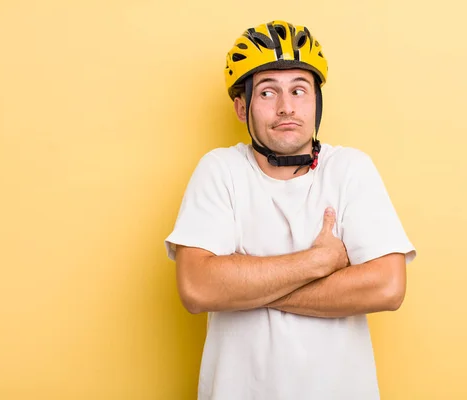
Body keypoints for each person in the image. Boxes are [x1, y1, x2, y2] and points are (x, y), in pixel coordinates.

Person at [164, 20, 417, 400]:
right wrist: (317, 263)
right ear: (241, 106)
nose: (286, 108)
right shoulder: (220, 170)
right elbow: (198, 287)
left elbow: (387, 287)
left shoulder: (350, 168)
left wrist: (242, 286)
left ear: (316, 101)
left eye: (299, 91)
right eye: (267, 93)